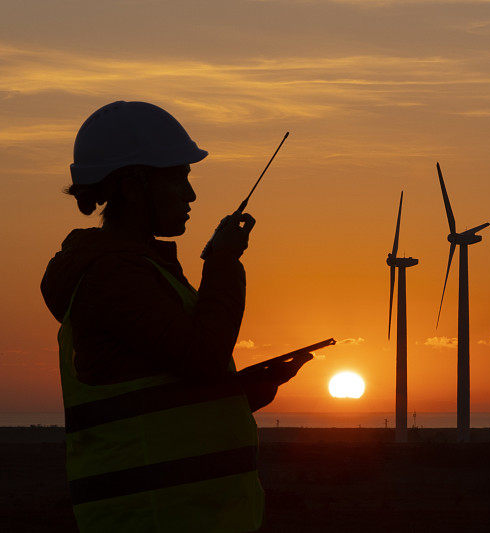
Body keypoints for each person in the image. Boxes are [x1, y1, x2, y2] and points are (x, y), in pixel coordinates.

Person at [40, 101, 308, 532]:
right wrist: (222, 260)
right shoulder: (113, 275)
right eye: (178, 177)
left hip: (178, 513)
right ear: (133, 185)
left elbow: (163, 387)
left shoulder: (139, 270)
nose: (191, 195)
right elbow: (202, 355)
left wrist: (238, 393)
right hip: (153, 515)